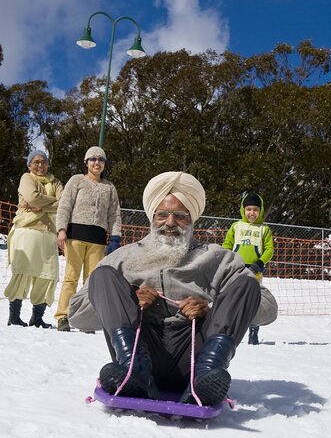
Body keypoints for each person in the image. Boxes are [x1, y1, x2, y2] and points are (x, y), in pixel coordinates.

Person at [68, 172, 261, 406]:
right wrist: (129, 300)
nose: (170, 223)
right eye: (162, 215)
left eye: (180, 216)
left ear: (192, 219)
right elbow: (77, 315)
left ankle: (204, 377)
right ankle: (134, 372)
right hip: (142, 345)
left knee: (247, 282)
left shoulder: (218, 258)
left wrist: (213, 309)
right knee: (103, 275)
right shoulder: (122, 258)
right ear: (152, 217)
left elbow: (264, 305)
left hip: (195, 352)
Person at [54, 146, 122, 332]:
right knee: (71, 277)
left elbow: (114, 214)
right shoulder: (77, 181)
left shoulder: (109, 187)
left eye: (100, 159)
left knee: (92, 281)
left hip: (97, 240)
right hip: (75, 236)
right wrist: (61, 230)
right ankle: (63, 316)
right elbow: (65, 206)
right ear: (86, 162)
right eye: (93, 159)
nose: (97, 163)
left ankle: (85, 318)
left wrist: (115, 237)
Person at [3, 150, 64, 328]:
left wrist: (40, 206)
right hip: (27, 231)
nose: (40, 165)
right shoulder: (27, 178)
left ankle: (37, 318)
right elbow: (31, 197)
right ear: (29, 165)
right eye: (36, 162)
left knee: (47, 275)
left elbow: (63, 203)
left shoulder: (56, 182)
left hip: (48, 235)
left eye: (43, 161)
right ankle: (14, 316)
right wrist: (49, 203)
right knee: (22, 272)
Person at [222, 192, 278, 345]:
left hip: (255, 270)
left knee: (254, 299)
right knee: (234, 297)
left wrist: (259, 263)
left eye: (255, 210)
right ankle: (231, 330)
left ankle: (254, 330)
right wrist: (227, 259)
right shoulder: (236, 227)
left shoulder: (264, 229)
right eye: (248, 209)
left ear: (260, 211)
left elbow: (269, 250)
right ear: (243, 210)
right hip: (237, 269)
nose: (251, 213)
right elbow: (227, 244)